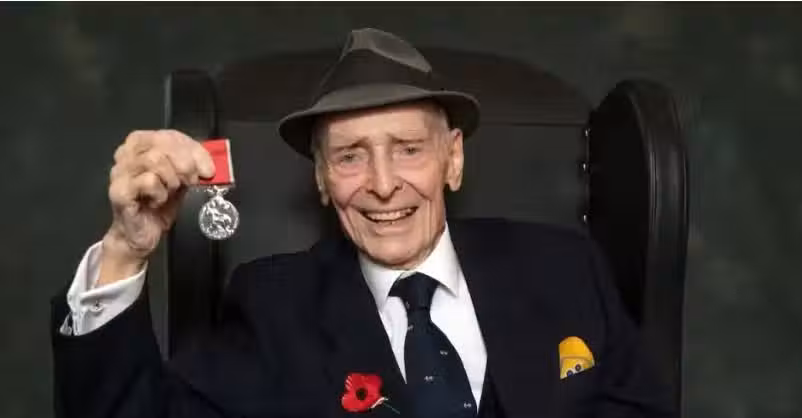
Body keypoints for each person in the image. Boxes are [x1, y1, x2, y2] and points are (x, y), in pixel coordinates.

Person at [51, 28, 674, 418]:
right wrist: (125, 250)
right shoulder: (271, 307)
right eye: (350, 156)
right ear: (322, 179)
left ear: (453, 159)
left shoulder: (565, 267)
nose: (382, 183)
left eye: (408, 149)